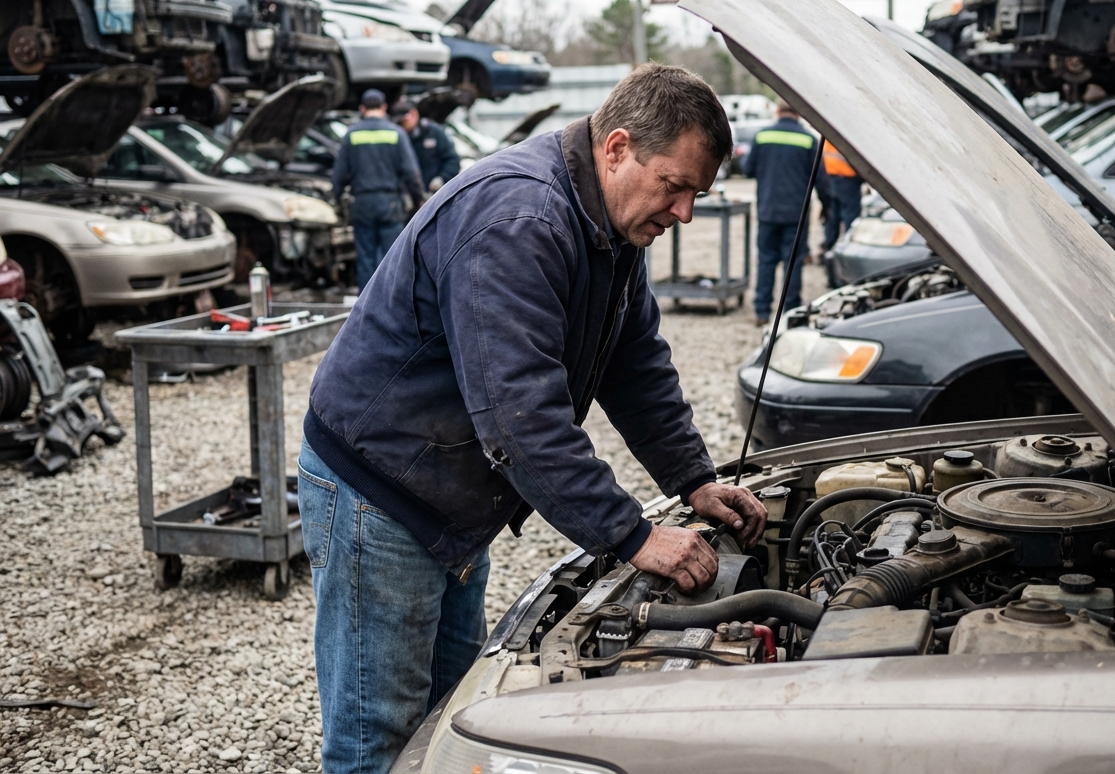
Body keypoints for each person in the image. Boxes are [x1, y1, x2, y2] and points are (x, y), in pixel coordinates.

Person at [298, 64, 768, 773]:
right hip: (381, 494)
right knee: (378, 740)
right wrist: (633, 535)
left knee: (451, 719)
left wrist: (694, 481)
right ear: (616, 149)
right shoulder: (519, 219)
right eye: (674, 186)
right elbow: (519, 418)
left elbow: (634, 363)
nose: (685, 215)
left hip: (450, 494)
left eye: (696, 195)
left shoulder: (609, 229)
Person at [331, 89, 425, 291]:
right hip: (389, 204)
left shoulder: (351, 135)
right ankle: (391, 306)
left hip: (362, 204)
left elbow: (339, 174)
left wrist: (336, 200)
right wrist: (419, 199)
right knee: (392, 257)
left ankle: (366, 309)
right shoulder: (395, 133)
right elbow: (411, 172)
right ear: (384, 108)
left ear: (362, 109)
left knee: (365, 258)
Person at [741, 103, 819, 326]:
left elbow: (748, 169)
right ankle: (790, 313)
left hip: (768, 211)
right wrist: (828, 205)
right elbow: (819, 179)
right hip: (797, 213)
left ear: (777, 111)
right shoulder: (808, 140)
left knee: (766, 261)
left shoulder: (763, 136)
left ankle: (762, 312)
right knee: (792, 263)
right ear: (798, 112)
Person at [820, 141, 866, 285]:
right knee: (850, 221)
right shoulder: (846, 133)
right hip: (847, 179)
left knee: (833, 220)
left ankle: (829, 258)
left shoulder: (831, 134)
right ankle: (846, 260)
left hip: (833, 178)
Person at [392, 101, 461, 191]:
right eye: (398, 123)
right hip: (409, 193)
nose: (401, 126)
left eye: (403, 121)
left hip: (433, 193)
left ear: (413, 114)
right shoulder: (397, 137)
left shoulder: (433, 132)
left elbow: (452, 159)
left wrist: (442, 178)